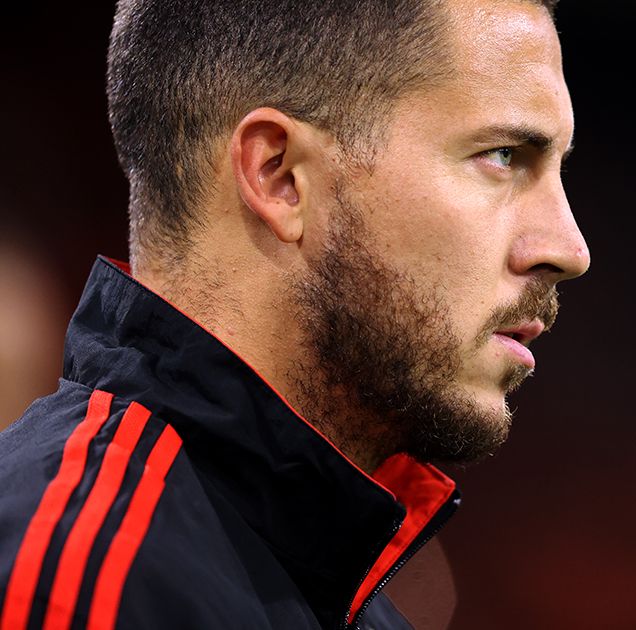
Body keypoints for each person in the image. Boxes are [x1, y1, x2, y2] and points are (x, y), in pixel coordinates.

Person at [0, 0, 589, 627]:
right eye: (502, 155)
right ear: (279, 176)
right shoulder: (74, 588)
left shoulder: (353, 604)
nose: (569, 248)